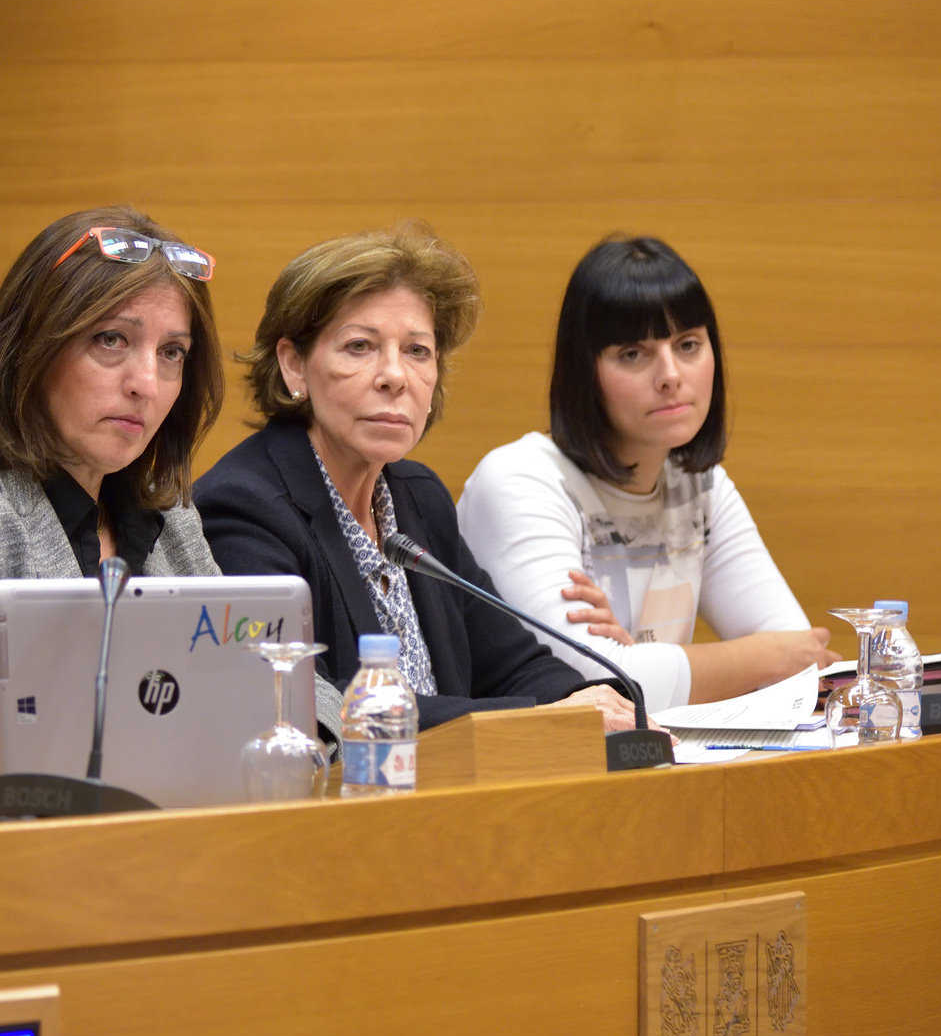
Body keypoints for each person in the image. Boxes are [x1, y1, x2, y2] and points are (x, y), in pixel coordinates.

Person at [194, 225, 640, 733]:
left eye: (417, 351)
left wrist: (592, 700)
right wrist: (543, 720)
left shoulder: (417, 499)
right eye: (360, 347)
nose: (395, 376)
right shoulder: (245, 507)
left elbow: (513, 662)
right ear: (294, 367)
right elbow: (304, 703)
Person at [0, 208, 226, 792]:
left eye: (171, 353)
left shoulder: (167, 515)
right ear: (30, 347)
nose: (147, 384)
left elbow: (278, 677)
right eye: (111, 340)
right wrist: (189, 723)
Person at [457, 235, 838, 713]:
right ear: (583, 372)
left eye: (688, 345)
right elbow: (585, 687)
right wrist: (759, 658)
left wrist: (637, 662)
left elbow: (808, 669)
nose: (670, 374)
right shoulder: (521, 481)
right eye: (633, 354)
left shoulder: (700, 486)